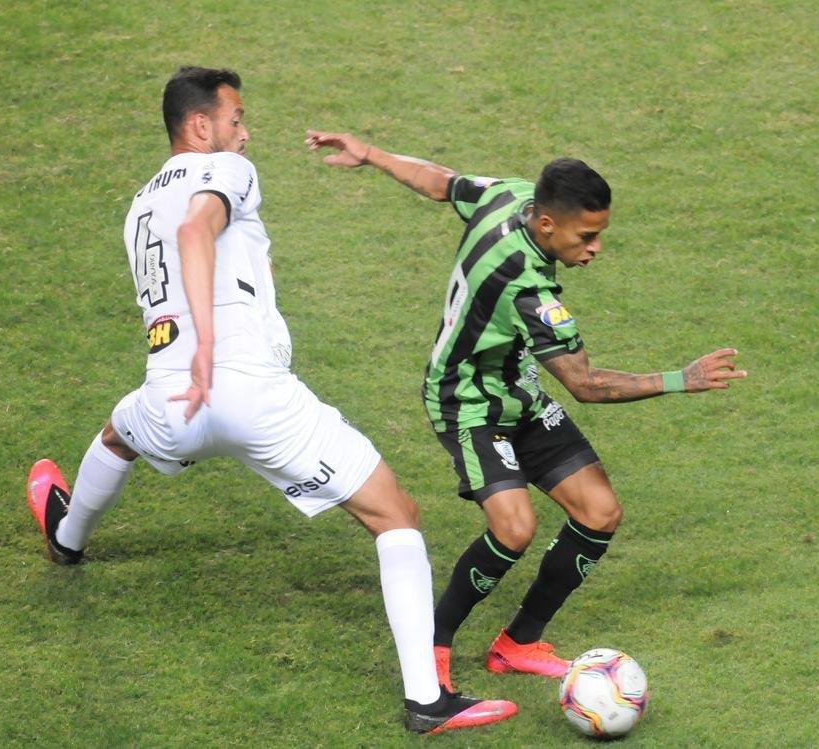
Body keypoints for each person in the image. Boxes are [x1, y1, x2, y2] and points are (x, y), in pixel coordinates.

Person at [24, 67, 517, 735]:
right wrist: (208, 348)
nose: (244, 131)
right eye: (235, 119)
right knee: (396, 515)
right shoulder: (227, 170)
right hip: (249, 394)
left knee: (117, 431)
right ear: (201, 127)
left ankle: (67, 538)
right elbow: (198, 233)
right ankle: (427, 700)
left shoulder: (138, 204)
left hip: (169, 402)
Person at [306, 130, 748, 692]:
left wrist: (372, 155)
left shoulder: (510, 195)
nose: (595, 249)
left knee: (599, 511)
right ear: (547, 226)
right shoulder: (528, 290)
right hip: (466, 401)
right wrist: (679, 380)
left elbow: (440, 182)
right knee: (514, 527)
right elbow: (585, 385)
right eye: (587, 237)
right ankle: (432, 650)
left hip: (517, 392)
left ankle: (516, 644)